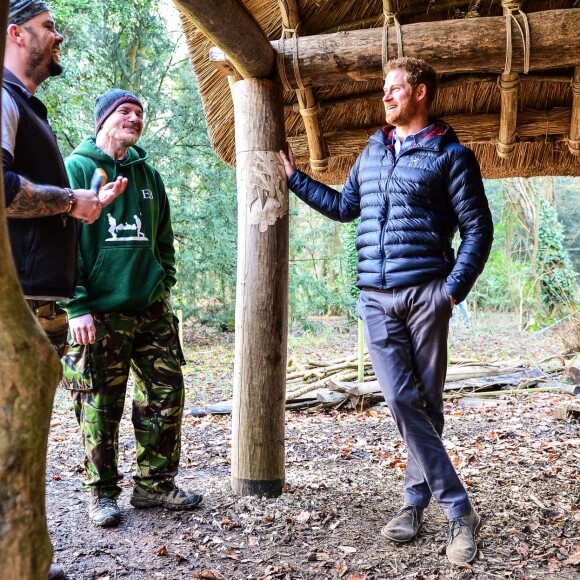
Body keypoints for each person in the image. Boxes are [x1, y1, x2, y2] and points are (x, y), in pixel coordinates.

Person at [280, 57, 494, 565]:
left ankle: (414, 503)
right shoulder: (373, 151)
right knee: (401, 398)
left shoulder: (452, 156)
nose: (386, 96)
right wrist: (294, 178)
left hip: (426, 292)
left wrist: (452, 290)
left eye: (395, 88)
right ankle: (459, 507)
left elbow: (478, 230)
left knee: (426, 402)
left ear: (420, 93)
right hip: (375, 296)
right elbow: (344, 208)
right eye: (384, 89)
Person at [2, 2, 127, 578]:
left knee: (22, 434)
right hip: (19, 305)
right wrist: (66, 199)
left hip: (41, 298)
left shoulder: (29, 108)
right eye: (49, 27)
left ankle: (22, 553)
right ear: (15, 33)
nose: (59, 35)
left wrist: (81, 209)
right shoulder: (4, 99)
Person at [62, 88, 202, 529]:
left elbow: (164, 239)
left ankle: (154, 486)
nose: (135, 119)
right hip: (98, 313)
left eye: (140, 114)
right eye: (125, 111)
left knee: (167, 394)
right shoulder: (77, 168)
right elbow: (61, 247)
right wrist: (76, 306)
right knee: (100, 405)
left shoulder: (149, 176)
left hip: (150, 310)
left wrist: (163, 284)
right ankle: (102, 494)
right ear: (102, 120)